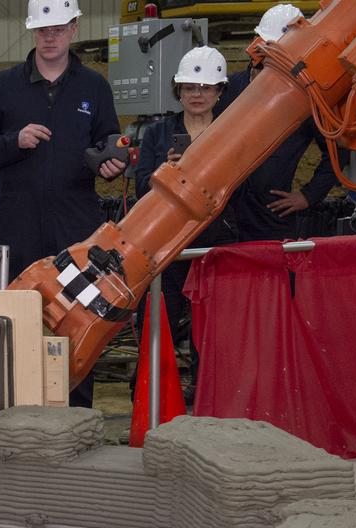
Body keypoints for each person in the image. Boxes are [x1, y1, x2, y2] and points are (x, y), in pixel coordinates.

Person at [0, 0, 126, 408]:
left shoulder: (94, 87)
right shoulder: (3, 86)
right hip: (20, 227)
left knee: (80, 318)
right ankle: (21, 406)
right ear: (32, 32)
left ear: (73, 28)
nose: (49, 37)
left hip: (76, 228)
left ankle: (78, 409)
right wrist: (12, 141)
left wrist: (111, 166)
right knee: (22, 317)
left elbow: (112, 143)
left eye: (57, 28)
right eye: (42, 30)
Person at [135, 47, 236, 399]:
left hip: (215, 242)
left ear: (220, 92)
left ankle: (211, 397)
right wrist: (166, 170)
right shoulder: (159, 134)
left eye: (206, 87)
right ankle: (149, 401)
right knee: (158, 320)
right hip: (168, 244)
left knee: (214, 329)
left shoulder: (231, 133)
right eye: (190, 86)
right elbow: (140, 187)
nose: (197, 94)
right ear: (178, 90)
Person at [219, 5, 337, 242]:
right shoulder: (229, 88)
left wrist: (309, 195)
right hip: (224, 214)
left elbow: (338, 153)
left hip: (270, 217)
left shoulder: (307, 98)